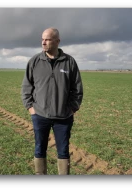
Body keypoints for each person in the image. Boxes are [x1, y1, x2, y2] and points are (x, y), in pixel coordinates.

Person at [21, 27, 83, 175]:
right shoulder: (35, 61)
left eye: (47, 39)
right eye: (42, 39)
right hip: (40, 115)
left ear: (57, 41)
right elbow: (26, 86)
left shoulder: (69, 62)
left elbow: (77, 88)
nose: (43, 42)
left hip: (63, 118)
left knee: (63, 151)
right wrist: (31, 108)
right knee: (39, 149)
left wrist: (72, 109)